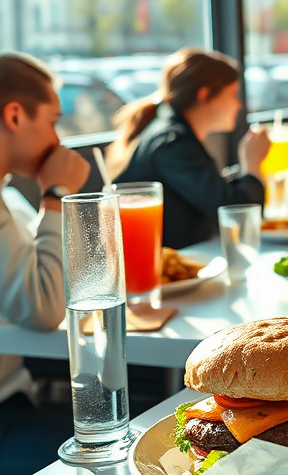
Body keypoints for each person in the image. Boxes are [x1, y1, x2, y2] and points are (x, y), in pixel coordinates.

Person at [107, 49, 268, 250]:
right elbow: (233, 214)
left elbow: (212, 189)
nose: (239, 105)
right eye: (233, 94)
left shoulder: (174, 134)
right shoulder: (172, 143)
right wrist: (252, 163)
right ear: (205, 94)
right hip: (164, 271)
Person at [0, 53, 90, 329]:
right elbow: (44, 308)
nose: (56, 140)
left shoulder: (8, 198)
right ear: (15, 116)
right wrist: (57, 194)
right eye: (52, 122)